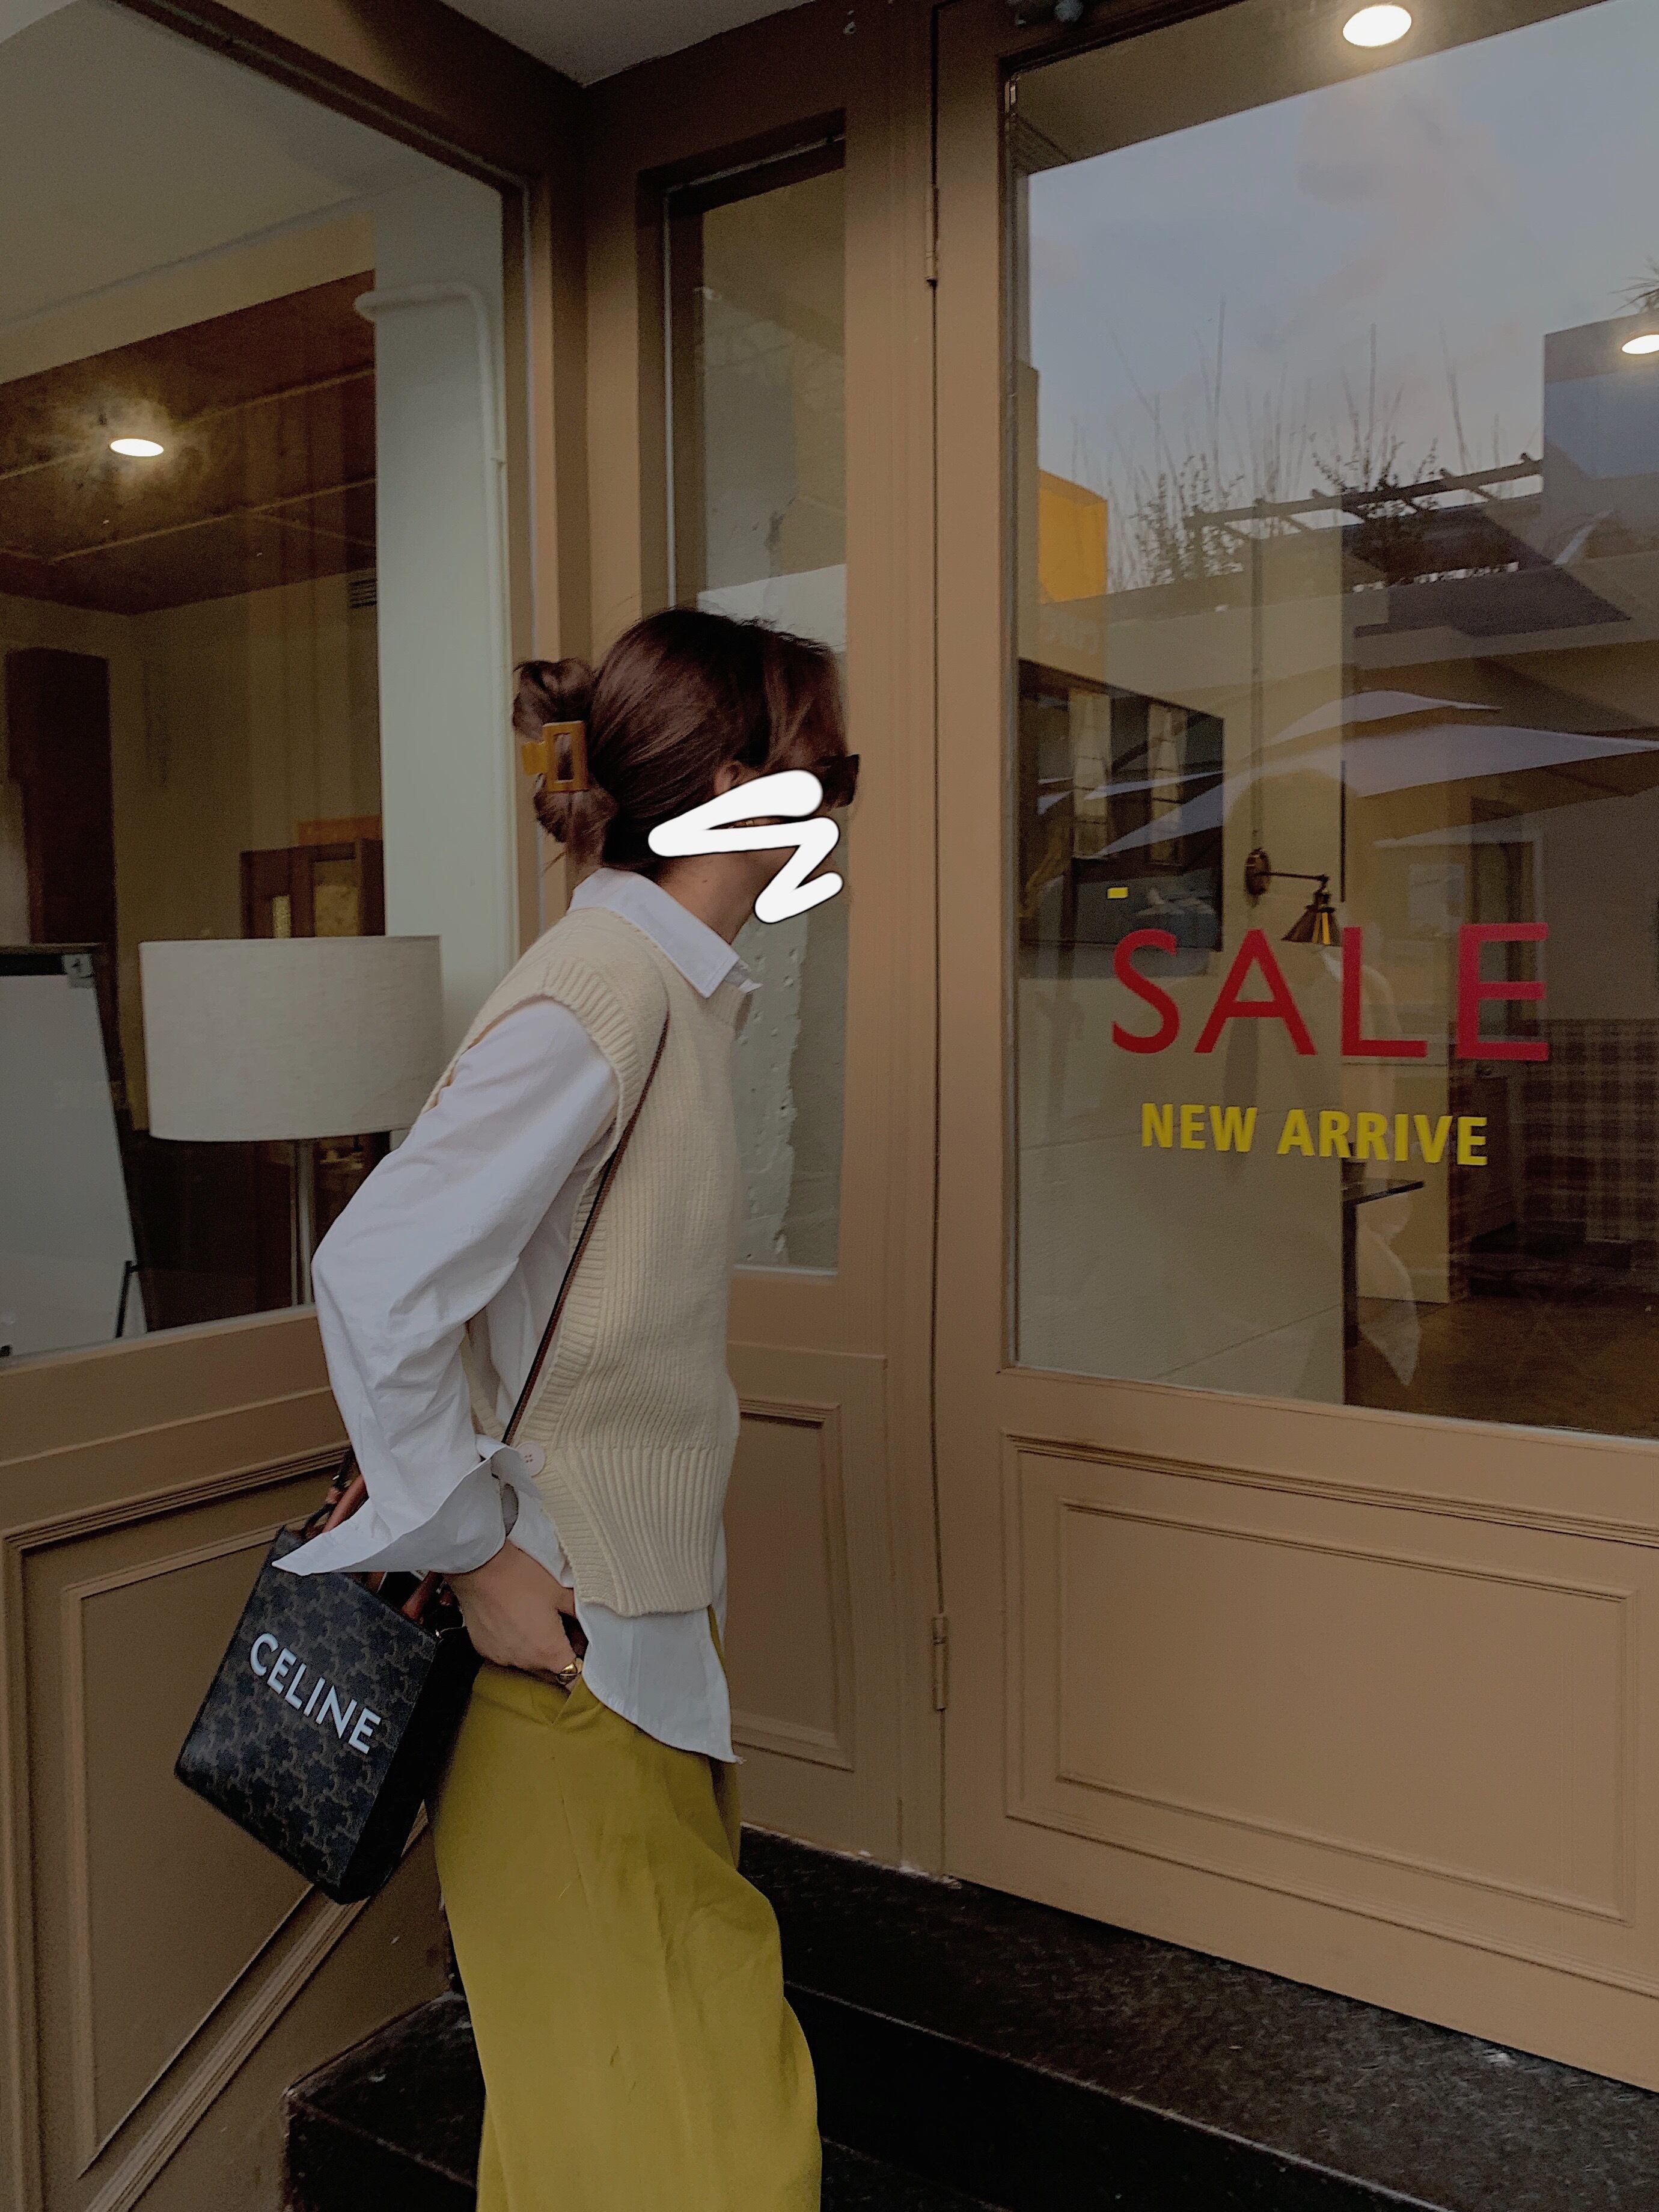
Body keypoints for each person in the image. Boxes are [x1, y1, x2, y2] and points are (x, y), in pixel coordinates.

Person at [278, 607, 858, 2210]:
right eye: (834, 772)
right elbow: (376, 1274)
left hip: (622, 1648)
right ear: (738, 787)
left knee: (611, 2138)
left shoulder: (663, 988)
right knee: (693, 2151)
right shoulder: (605, 990)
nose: (839, 812)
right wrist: (473, 1552)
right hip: (568, 1667)